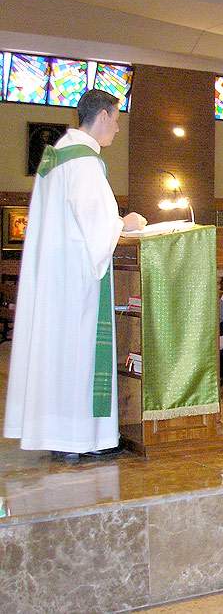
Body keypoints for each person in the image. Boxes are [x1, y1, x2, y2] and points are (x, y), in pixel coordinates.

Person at [5, 89, 147, 458]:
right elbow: (95, 226)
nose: (116, 128)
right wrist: (125, 222)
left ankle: (59, 438)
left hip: (56, 279)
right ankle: (82, 441)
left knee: (60, 356)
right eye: (115, 119)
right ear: (101, 115)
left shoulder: (55, 158)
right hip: (78, 280)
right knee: (80, 354)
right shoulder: (84, 162)